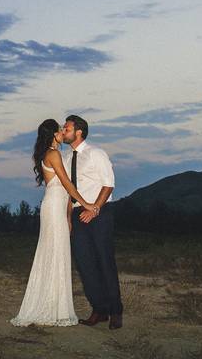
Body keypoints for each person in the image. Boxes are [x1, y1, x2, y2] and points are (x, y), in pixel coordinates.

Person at [11, 119, 96, 327]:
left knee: (58, 252)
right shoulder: (53, 154)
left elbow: (65, 189)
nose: (62, 132)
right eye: (59, 129)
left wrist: (68, 217)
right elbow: (67, 184)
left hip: (57, 206)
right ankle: (51, 307)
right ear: (52, 134)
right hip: (53, 205)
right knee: (53, 252)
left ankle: (57, 306)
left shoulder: (53, 153)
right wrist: (86, 204)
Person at [62, 114, 123, 329]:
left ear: (79, 131)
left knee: (105, 262)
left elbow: (108, 184)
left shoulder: (96, 153)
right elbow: (68, 193)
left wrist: (95, 209)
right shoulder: (66, 159)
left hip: (100, 213)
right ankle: (99, 310)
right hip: (78, 216)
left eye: (67, 128)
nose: (63, 131)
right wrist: (68, 220)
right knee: (85, 265)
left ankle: (116, 311)